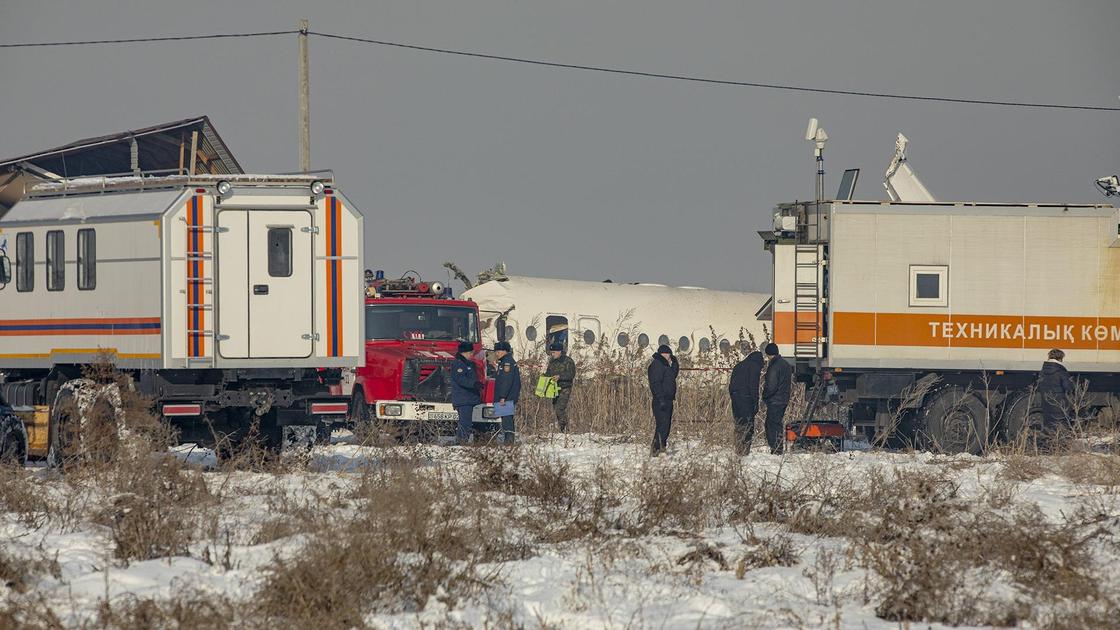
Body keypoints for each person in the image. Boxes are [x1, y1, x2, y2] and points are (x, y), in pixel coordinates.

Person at [728, 350, 764, 455]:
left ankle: (738, 448)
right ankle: (745, 450)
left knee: (739, 423)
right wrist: (755, 402)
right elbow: (753, 386)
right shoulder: (754, 367)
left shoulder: (738, 365)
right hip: (747, 399)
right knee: (748, 424)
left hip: (735, 397)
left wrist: (734, 396)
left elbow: (731, 385)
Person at [647, 344, 680, 456]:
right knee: (662, 425)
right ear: (662, 354)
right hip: (661, 400)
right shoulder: (657, 365)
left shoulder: (665, 366)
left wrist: (675, 363)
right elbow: (655, 384)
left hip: (668, 399)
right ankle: (656, 449)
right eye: (667, 354)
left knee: (666, 425)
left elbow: (672, 375)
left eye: (669, 354)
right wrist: (660, 399)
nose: (668, 356)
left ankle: (661, 446)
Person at [1037, 348, 1074, 444]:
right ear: (1060, 358)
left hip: (1046, 403)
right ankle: (1060, 447)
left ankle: (1047, 446)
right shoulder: (1061, 371)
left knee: (1048, 426)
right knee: (1060, 427)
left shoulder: (1043, 371)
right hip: (1059, 404)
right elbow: (1068, 387)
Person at [761, 343, 792, 454]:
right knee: (777, 424)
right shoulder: (786, 364)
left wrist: (764, 396)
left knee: (771, 425)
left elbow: (771, 386)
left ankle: (776, 449)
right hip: (784, 399)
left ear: (768, 354)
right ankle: (778, 447)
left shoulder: (774, 366)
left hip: (775, 400)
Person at [451, 341, 482, 444]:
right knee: (465, 423)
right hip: (463, 399)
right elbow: (461, 379)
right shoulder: (459, 364)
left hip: (468, 398)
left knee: (466, 423)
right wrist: (474, 384)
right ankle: (461, 443)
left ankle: (461, 442)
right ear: (464, 352)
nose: (472, 355)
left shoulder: (468, 363)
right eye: (470, 353)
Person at [492, 341, 521, 445]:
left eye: (499, 351)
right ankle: (508, 440)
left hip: (506, 397)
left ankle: (509, 441)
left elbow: (506, 381)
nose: (497, 353)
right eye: (496, 351)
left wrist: (502, 396)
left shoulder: (507, 362)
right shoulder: (504, 362)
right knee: (506, 419)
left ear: (505, 351)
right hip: (507, 397)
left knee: (507, 420)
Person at [544, 342, 577, 432]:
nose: (552, 354)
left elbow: (571, 374)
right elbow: (548, 373)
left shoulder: (568, 361)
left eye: (553, 352)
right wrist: (544, 377)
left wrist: (560, 377)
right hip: (554, 389)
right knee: (555, 408)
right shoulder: (552, 362)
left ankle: (564, 429)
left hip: (565, 388)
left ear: (559, 351)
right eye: (551, 352)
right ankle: (562, 427)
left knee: (560, 409)